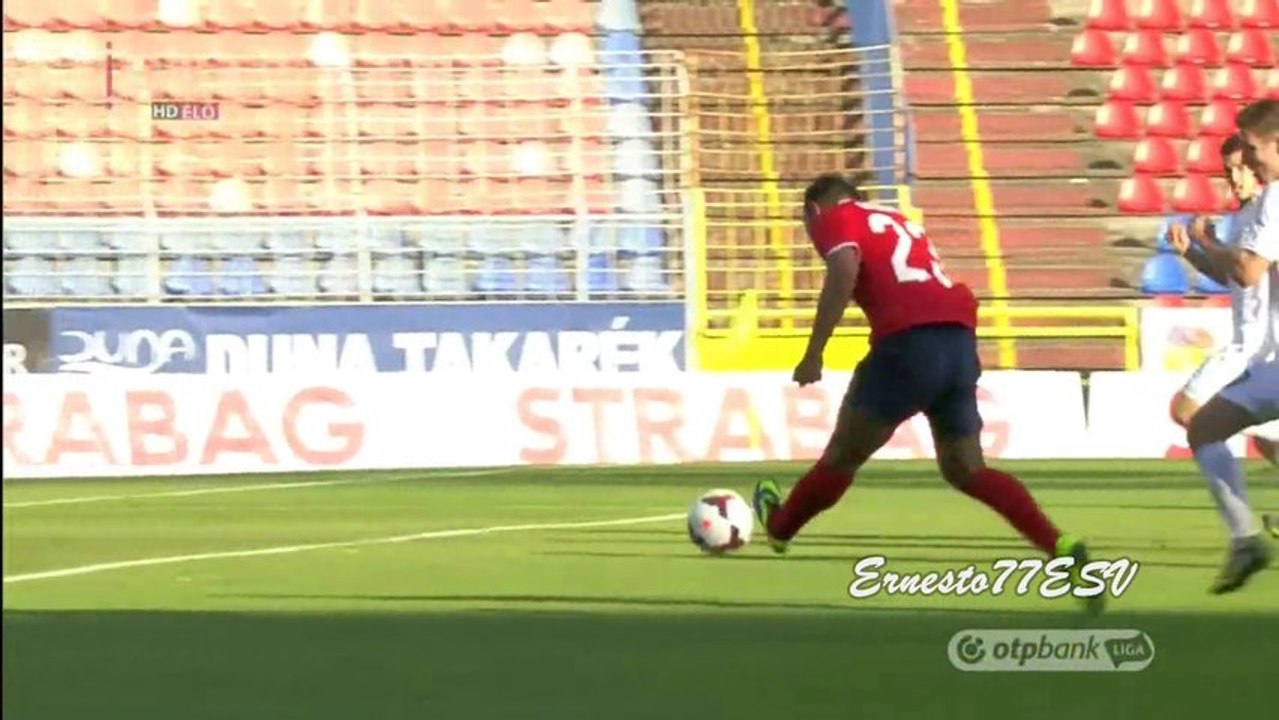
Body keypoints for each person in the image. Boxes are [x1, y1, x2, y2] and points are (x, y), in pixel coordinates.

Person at [751, 174, 1099, 612]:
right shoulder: (900, 219)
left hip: (908, 346)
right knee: (966, 468)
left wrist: (813, 352)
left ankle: (781, 528)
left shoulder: (832, 217)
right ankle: (1060, 546)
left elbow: (843, 271)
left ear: (813, 210)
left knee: (842, 456)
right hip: (957, 342)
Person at [1180, 99, 1279, 593]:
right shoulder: (1262, 208)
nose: (1252, 161)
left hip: (1264, 355)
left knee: (1200, 423)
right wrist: (1204, 249)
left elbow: (1245, 271)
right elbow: (1236, 271)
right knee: (1203, 425)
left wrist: (1207, 242)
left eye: (1255, 150)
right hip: (1270, 362)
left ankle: (1246, 540)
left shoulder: (1276, 199)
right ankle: (1245, 541)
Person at [1168, 134, 1279, 466]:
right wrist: (1192, 251)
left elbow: (1250, 273)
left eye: (1242, 168)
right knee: (1265, 444)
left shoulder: (1268, 214)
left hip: (1256, 349)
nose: (1234, 178)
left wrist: (1207, 242)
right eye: (1228, 170)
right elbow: (1232, 280)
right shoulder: (1243, 219)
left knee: (1186, 410)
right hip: (1247, 346)